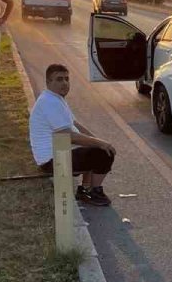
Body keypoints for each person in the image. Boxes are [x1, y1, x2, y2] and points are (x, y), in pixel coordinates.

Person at [29, 63, 116, 206]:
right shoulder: (49, 102)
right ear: (48, 82)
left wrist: (96, 140)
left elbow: (74, 124)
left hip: (59, 153)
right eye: (59, 79)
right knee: (104, 154)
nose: (64, 83)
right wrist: (99, 144)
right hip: (52, 161)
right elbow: (67, 135)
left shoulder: (56, 98)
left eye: (66, 79)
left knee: (96, 148)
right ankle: (93, 192)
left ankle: (85, 190)